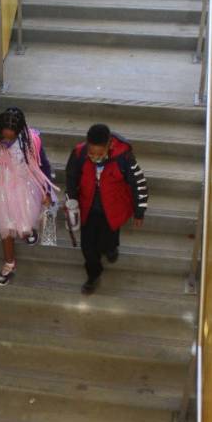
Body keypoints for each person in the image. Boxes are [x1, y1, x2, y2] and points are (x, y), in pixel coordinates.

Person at [0, 107, 58, 285]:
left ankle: (26, 231)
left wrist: (47, 191)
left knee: (26, 220)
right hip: (2, 190)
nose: (7, 141)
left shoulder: (31, 141)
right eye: (4, 137)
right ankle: (9, 262)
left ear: (20, 132)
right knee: (6, 228)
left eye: (11, 137)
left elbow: (44, 166)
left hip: (26, 188)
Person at [64, 124, 149, 295]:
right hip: (88, 208)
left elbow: (138, 184)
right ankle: (93, 274)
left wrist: (139, 211)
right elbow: (71, 177)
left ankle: (111, 247)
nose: (95, 157)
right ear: (87, 145)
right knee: (88, 247)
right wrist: (71, 199)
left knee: (106, 241)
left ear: (109, 145)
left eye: (99, 154)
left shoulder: (124, 158)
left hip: (113, 209)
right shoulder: (79, 154)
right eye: (91, 153)